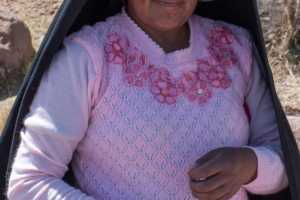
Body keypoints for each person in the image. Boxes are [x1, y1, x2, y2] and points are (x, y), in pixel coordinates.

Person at [6, 0, 289, 199]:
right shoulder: (85, 58)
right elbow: (29, 183)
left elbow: (285, 162)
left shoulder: (237, 49)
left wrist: (250, 165)